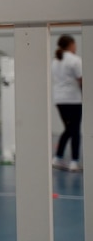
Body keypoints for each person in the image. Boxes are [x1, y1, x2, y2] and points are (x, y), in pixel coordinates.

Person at [51, 34, 82, 172]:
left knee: (69, 129)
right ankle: (74, 161)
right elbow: (81, 79)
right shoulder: (75, 60)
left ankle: (58, 158)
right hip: (73, 99)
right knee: (74, 130)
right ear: (70, 44)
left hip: (59, 99)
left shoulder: (55, 61)